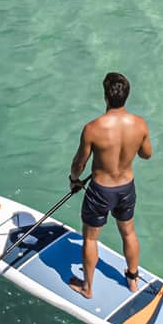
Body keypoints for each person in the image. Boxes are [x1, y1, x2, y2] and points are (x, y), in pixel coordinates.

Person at [67, 72, 152, 298]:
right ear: (127, 96)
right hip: (126, 187)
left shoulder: (93, 128)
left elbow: (79, 163)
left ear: (105, 97)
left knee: (91, 238)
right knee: (129, 233)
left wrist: (74, 180)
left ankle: (87, 288)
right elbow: (147, 154)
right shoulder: (140, 124)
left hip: (100, 191)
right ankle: (132, 281)